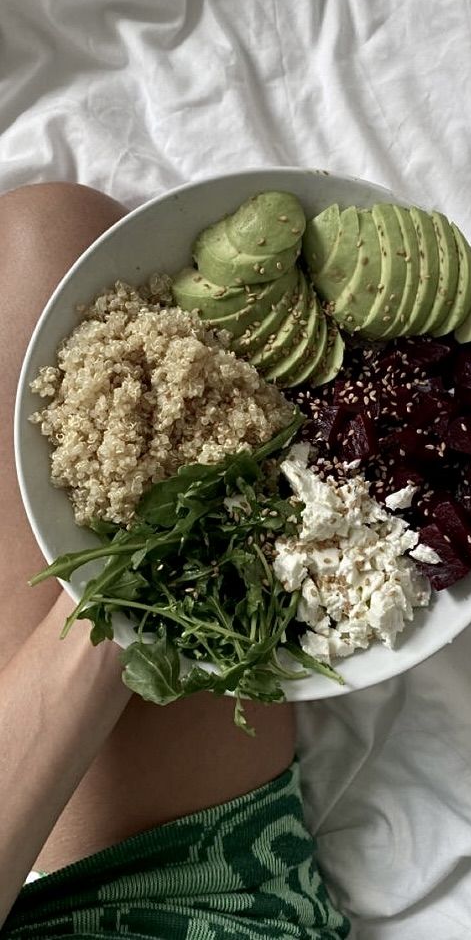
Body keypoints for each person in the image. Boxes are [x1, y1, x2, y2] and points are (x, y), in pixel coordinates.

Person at [0, 183, 349, 939]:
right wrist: (129, 592)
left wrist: (106, 584)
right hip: (197, 894)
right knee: (53, 233)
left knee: (49, 232)